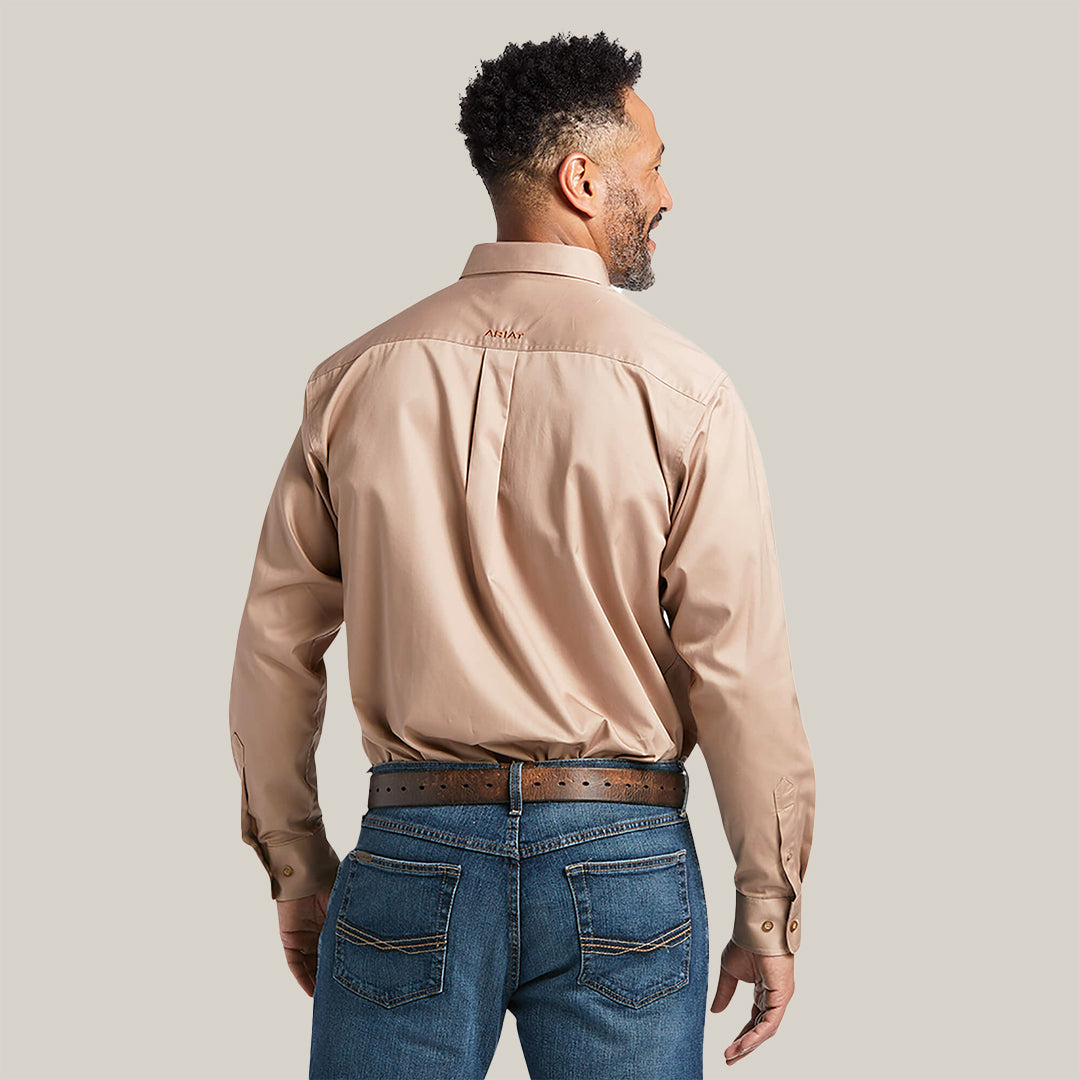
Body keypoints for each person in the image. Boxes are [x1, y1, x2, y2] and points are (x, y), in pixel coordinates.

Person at [228, 30, 815, 1080]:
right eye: (654, 163)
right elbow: (741, 671)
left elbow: (275, 646)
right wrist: (768, 900)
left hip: (410, 853)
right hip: (621, 859)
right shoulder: (685, 389)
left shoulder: (356, 378)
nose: (668, 193)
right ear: (581, 180)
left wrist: (296, 863)